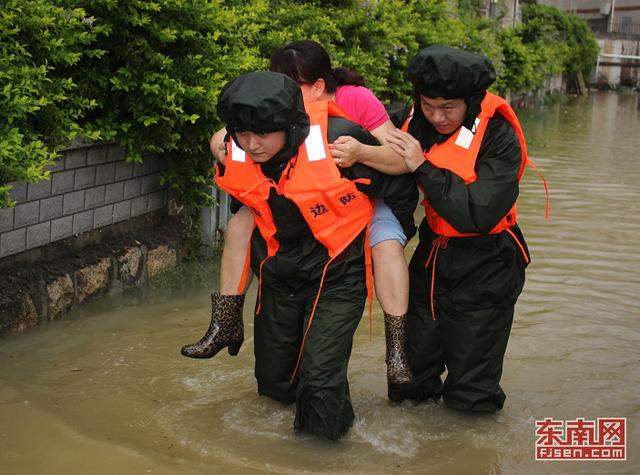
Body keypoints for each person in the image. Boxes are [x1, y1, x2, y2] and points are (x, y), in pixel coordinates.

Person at [192, 71, 417, 439]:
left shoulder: (338, 141)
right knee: (274, 385)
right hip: (279, 275)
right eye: (243, 134)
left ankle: (324, 453)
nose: (252, 144)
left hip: (337, 275)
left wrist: (394, 235)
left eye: (262, 133)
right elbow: (238, 188)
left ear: (290, 126)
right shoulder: (235, 146)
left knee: (319, 379)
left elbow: (400, 185)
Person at [385, 45, 534, 412]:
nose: (436, 116)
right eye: (428, 104)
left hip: (489, 262)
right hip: (433, 258)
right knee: (408, 379)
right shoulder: (412, 118)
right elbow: (351, 113)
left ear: (471, 100)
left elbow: (477, 213)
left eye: (448, 107)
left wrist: (422, 166)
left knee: (471, 394)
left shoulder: (499, 137)